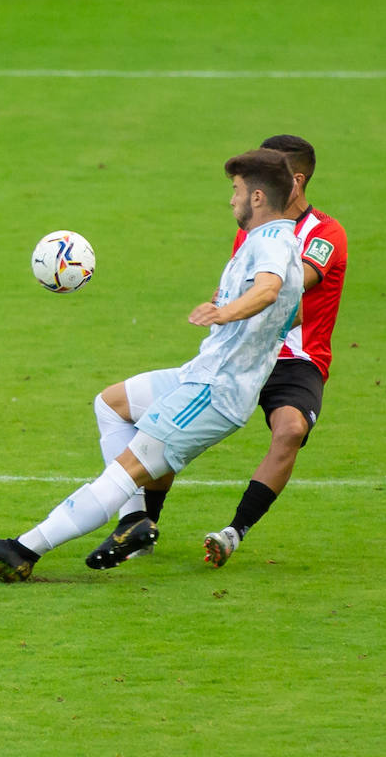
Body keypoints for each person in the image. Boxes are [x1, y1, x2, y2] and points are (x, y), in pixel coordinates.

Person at [0, 150, 303, 581]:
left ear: (256, 197)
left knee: (126, 469)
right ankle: (133, 521)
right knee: (112, 404)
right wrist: (241, 311)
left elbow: (269, 292)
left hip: (214, 390)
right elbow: (293, 310)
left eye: (234, 192)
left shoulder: (269, 243)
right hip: (200, 374)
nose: (230, 200)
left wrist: (225, 313)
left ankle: (24, 549)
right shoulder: (279, 239)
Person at [82, 134, 348, 570]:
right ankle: (141, 525)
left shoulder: (325, 234)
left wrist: (236, 305)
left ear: (294, 180)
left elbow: (287, 292)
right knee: (162, 424)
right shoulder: (252, 231)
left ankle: (234, 531)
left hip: (295, 357)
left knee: (291, 429)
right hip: (241, 354)